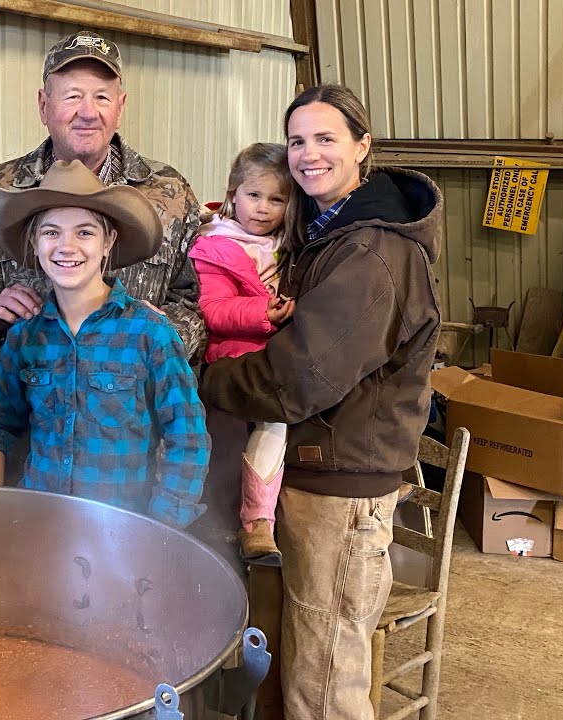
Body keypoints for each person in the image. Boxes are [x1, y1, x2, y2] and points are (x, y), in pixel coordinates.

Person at [200, 85, 442, 720]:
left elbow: (298, 377)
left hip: (341, 486)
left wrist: (203, 379)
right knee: (305, 662)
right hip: (316, 471)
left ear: (362, 146)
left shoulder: (370, 252)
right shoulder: (326, 233)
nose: (308, 154)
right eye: (297, 141)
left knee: (325, 679)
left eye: (326, 138)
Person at [0, 29, 206, 365]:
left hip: (136, 395)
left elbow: (197, 308)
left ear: (120, 108)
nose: (88, 112)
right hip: (26, 395)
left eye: (102, 97)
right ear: (43, 105)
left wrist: (167, 333)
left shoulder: (170, 194)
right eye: (73, 96)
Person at [0, 160, 210, 529]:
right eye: (51, 232)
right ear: (34, 243)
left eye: (84, 232)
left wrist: (161, 530)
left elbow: (187, 437)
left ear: (107, 242)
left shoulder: (150, 333)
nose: (66, 247)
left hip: (124, 530)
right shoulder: (26, 335)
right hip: (39, 525)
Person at [188, 143, 295, 565]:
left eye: (277, 199)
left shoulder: (288, 245)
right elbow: (212, 310)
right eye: (254, 195)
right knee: (273, 418)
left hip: (274, 352)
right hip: (233, 353)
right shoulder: (216, 245)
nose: (263, 208)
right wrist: (263, 313)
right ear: (233, 194)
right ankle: (256, 520)